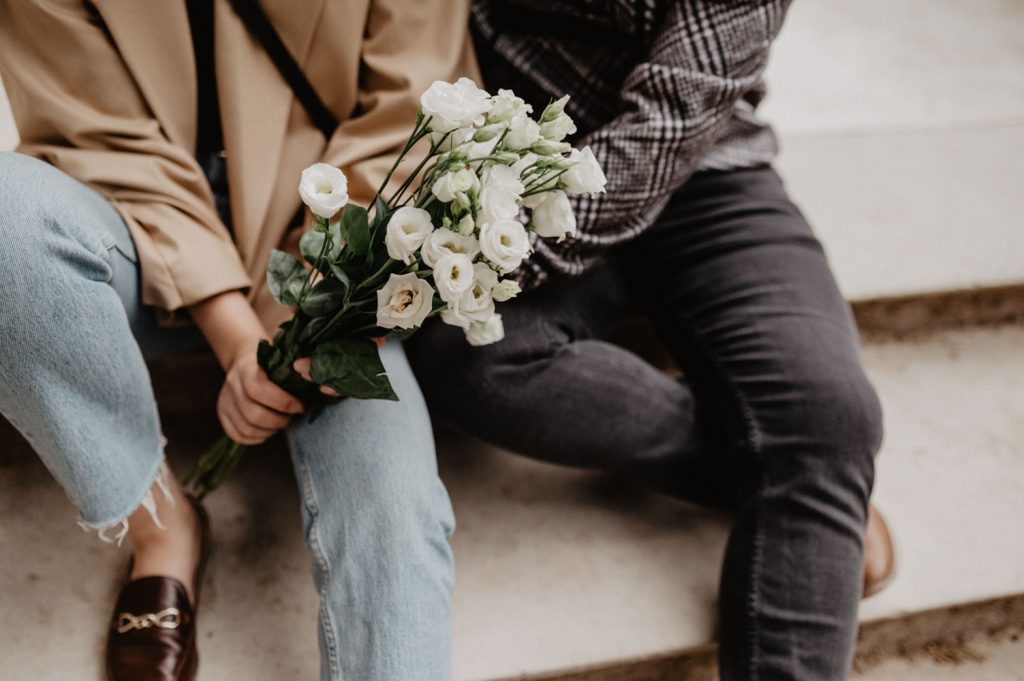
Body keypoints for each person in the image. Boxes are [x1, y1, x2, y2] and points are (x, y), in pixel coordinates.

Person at [408, 1, 895, 680]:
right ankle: (807, 482)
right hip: (511, 174)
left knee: (831, 410)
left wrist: (504, 250)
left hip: (708, 169)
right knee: (473, 352)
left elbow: (670, 124)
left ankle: (812, 471)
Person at [0, 1, 477, 679]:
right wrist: (237, 343)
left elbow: (413, 107)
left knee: (393, 512)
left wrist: (323, 294)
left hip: (329, 235)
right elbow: (98, 136)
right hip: (127, 231)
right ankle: (162, 526)